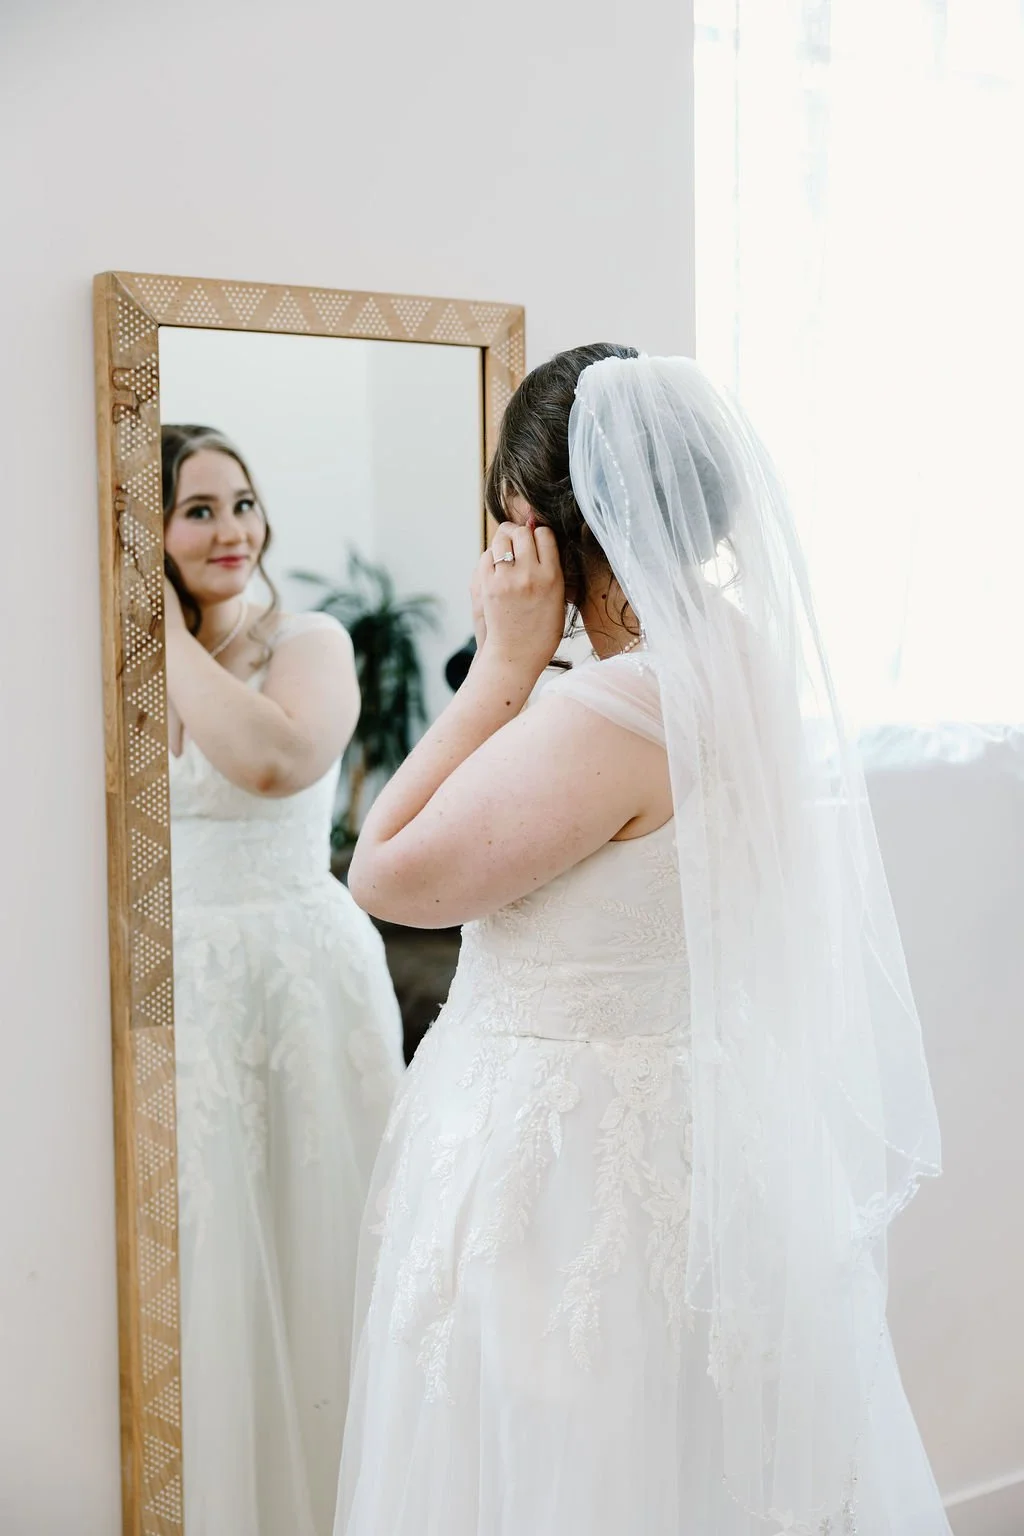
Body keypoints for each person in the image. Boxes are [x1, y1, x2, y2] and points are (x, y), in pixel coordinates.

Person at [333, 347, 951, 1536]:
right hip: (696, 1133)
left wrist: (502, 669)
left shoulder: (611, 707)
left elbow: (386, 875)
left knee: (570, 1479)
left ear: (540, 524)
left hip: (567, 1180)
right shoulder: (733, 656)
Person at [162, 424, 404, 1536]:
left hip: (298, 977)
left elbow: (273, 761)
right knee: (211, 1265)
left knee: (314, 1248)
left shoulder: (307, 641)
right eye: (196, 509)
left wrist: (152, 631)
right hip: (180, 985)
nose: (231, 531)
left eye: (241, 503)